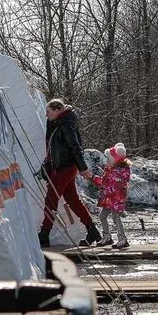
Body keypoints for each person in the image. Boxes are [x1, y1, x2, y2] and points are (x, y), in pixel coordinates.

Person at [40, 99, 101, 247]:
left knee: (51, 199)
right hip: (62, 167)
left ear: (57, 110)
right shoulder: (57, 123)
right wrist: (48, 164)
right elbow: (51, 147)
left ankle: (44, 234)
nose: (47, 115)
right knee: (72, 199)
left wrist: (83, 167)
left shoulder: (66, 125)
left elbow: (75, 147)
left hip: (66, 167)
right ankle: (92, 230)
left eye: (48, 112)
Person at [89, 143, 132, 249]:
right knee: (102, 216)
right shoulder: (109, 170)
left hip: (117, 200)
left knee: (116, 217)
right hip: (108, 200)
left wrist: (106, 191)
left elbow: (117, 187)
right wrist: (92, 177)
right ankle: (107, 236)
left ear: (115, 160)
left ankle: (122, 239)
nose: (106, 161)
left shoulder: (121, 173)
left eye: (108, 159)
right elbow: (103, 182)